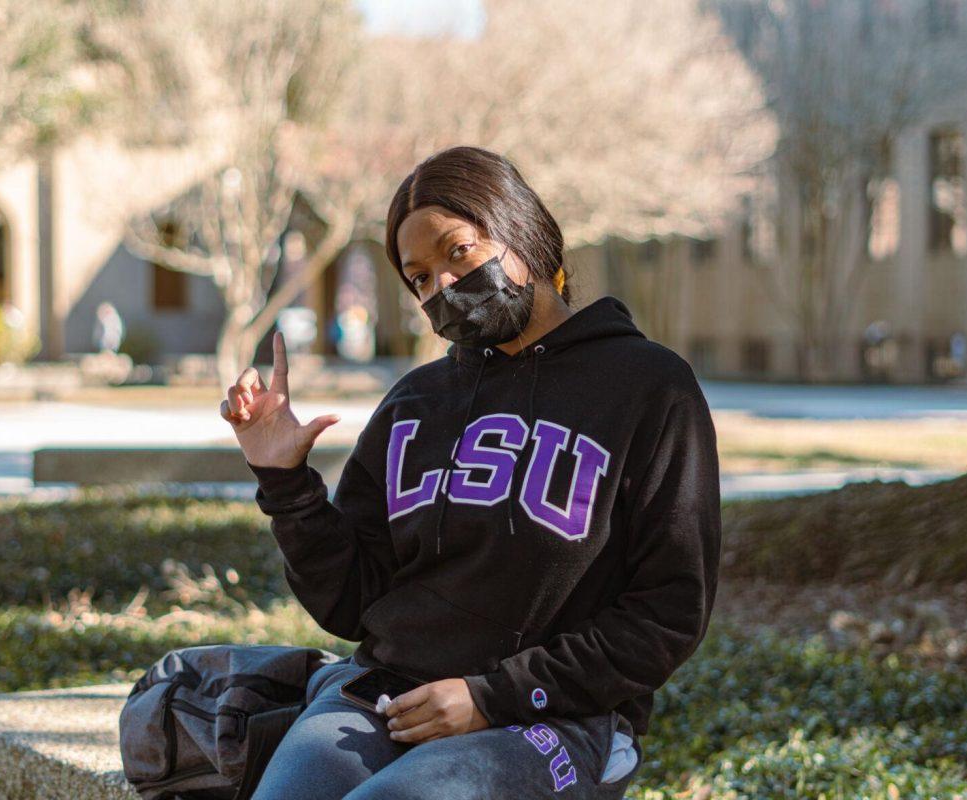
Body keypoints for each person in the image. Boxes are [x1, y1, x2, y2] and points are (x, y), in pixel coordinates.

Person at [219, 146, 722, 799]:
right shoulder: (415, 403)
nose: (444, 289)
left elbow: (669, 609)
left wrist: (492, 697)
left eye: (458, 253)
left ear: (526, 233)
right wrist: (284, 480)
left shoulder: (649, 388)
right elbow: (354, 600)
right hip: (386, 697)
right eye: (419, 277)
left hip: (560, 717)